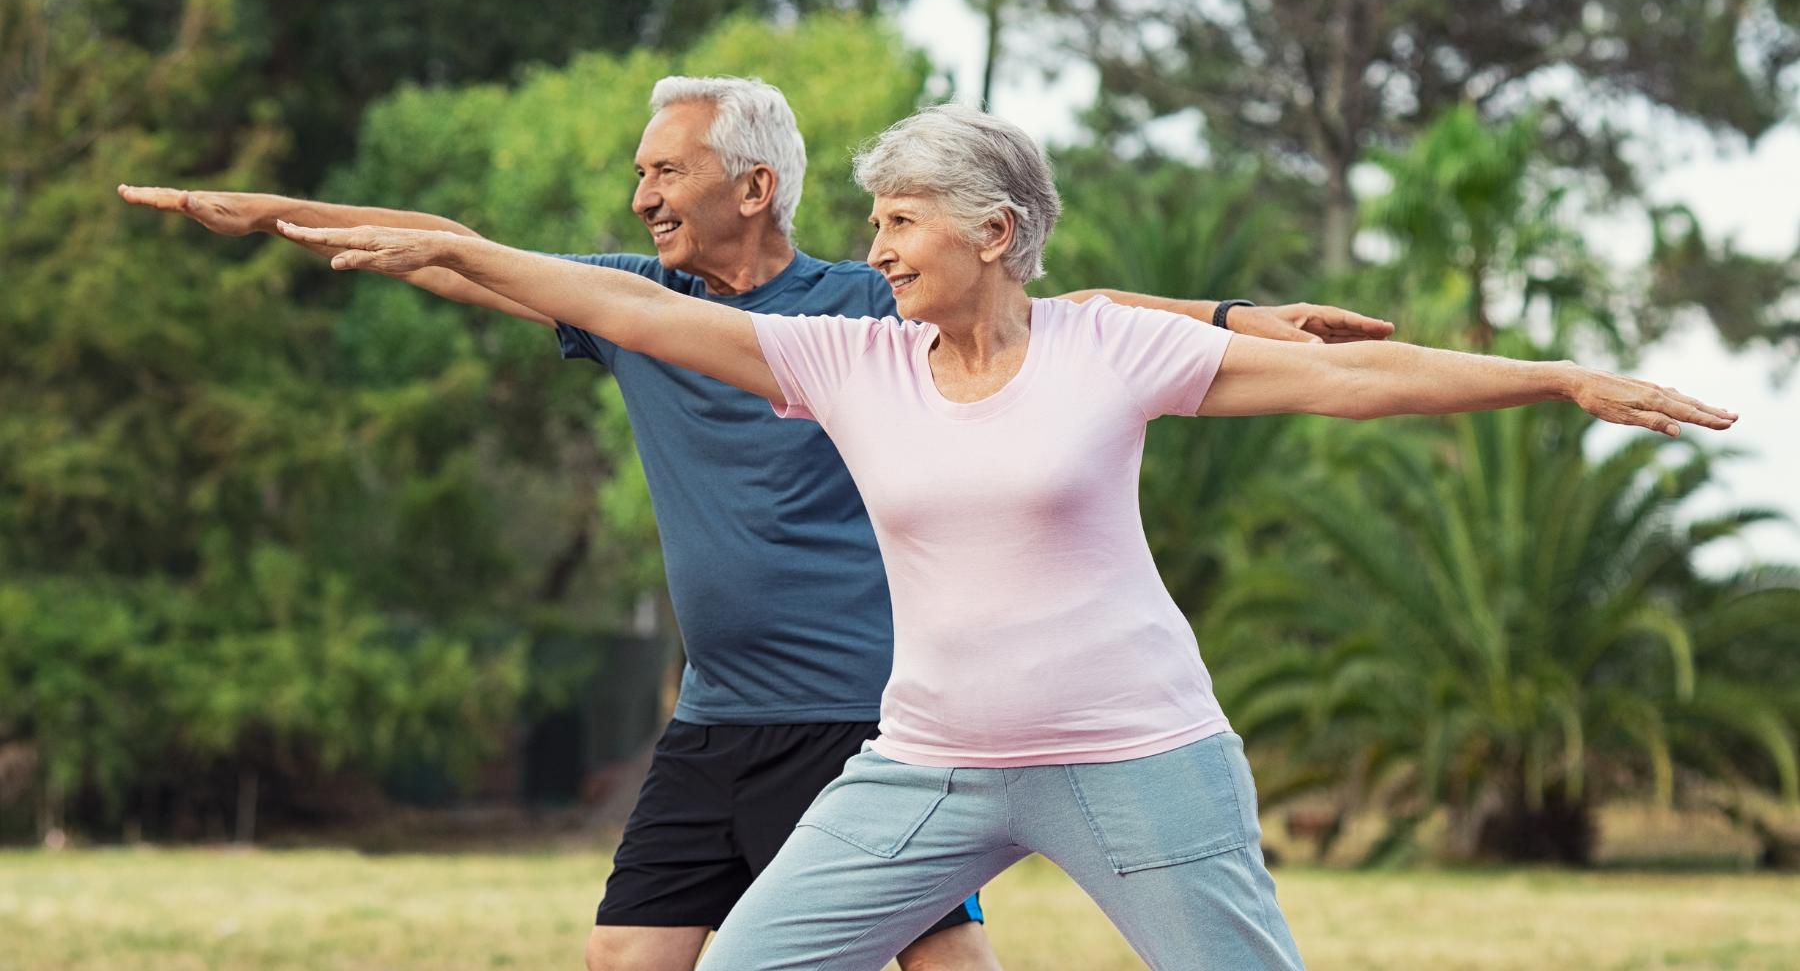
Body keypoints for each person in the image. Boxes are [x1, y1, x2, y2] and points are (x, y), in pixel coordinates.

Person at [273, 102, 1735, 970]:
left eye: (904, 217)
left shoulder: (1109, 349)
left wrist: (1552, 377)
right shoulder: (850, 363)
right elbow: (639, 310)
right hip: (930, 765)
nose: (883, 244)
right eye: (875, 218)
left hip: (1138, 760)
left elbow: (1353, 381)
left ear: (996, 232)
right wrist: (460, 248)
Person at [120, 78, 1396, 971]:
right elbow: (468, 250)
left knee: (940, 950)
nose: (640, 199)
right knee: (629, 950)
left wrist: (1231, 319)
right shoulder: (637, 304)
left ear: (755, 183)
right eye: (637, 176)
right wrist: (276, 215)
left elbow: (1067, 309)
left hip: (864, 707)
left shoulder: (863, 303)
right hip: (719, 708)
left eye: (664, 172)